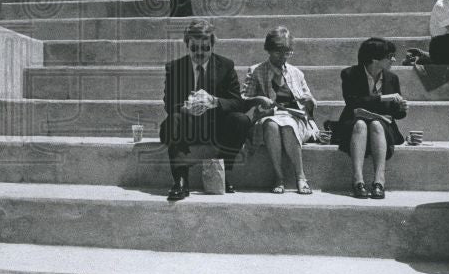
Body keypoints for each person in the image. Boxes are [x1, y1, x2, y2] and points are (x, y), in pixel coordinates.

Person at [159, 19, 251, 201]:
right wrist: (186, 108)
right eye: (194, 48)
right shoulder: (174, 68)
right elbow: (169, 103)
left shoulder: (226, 66)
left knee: (241, 120)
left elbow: (237, 102)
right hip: (188, 123)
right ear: (187, 45)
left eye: (205, 48)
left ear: (212, 46)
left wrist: (214, 101)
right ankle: (180, 179)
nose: (200, 53)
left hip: (216, 126)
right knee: (173, 121)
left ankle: (222, 173)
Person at [243, 27, 318, 195]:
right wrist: (258, 99)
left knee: (288, 124)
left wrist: (309, 101)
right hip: (267, 117)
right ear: (268, 50)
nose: (283, 57)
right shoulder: (256, 70)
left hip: (295, 119)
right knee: (271, 124)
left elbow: (310, 101)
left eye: (287, 53)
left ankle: (300, 176)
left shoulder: (296, 73)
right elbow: (242, 99)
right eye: (278, 53)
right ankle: (279, 176)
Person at [332, 38, 407, 199]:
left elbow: (396, 114)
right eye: (390, 56)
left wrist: (401, 108)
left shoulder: (392, 78)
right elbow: (352, 102)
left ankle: (379, 181)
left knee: (376, 125)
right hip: (354, 122)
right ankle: (358, 180)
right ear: (374, 59)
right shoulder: (349, 74)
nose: (393, 59)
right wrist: (382, 98)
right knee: (360, 124)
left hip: (381, 125)